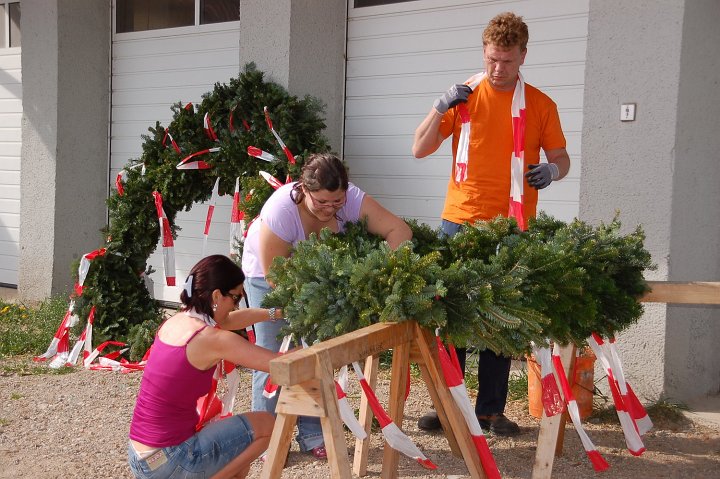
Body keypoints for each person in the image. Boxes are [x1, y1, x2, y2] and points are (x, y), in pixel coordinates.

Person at [411, 12, 570, 436]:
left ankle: (489, 411)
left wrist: (552, 172)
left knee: (502, 320)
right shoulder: (464, 97)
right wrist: (438, 106)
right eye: (491, 60)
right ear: (484, 53)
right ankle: (448, 406)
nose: (498, 70)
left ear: (523, 56)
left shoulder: (540, 104)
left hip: (512, 224)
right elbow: (419, 149)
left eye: (507, 62)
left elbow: (561, 158)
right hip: (459, 220)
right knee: (452, 318)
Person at [241, 152, 412, 459]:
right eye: (321, 202)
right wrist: (309, 307)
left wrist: (380, 274)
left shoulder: (352, 199)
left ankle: (312, 434)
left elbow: (399, 230)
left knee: (316, 354)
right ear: (304, 190)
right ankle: (264, 436)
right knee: (272, 355)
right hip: (266, 277)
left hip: (320, 279)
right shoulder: (281, 210)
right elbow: (274, 277)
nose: (331, 208)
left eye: (337, 202)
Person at [128, 254, 284, 479]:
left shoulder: (176, 322)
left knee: (240, 461)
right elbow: (278, 365)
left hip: (141, 457)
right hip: (172, 460)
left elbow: (230, 320)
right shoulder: (212, 339)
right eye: (236, 298)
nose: (236, 304)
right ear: (217, 296)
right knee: (267, 425)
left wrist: (274, 314)